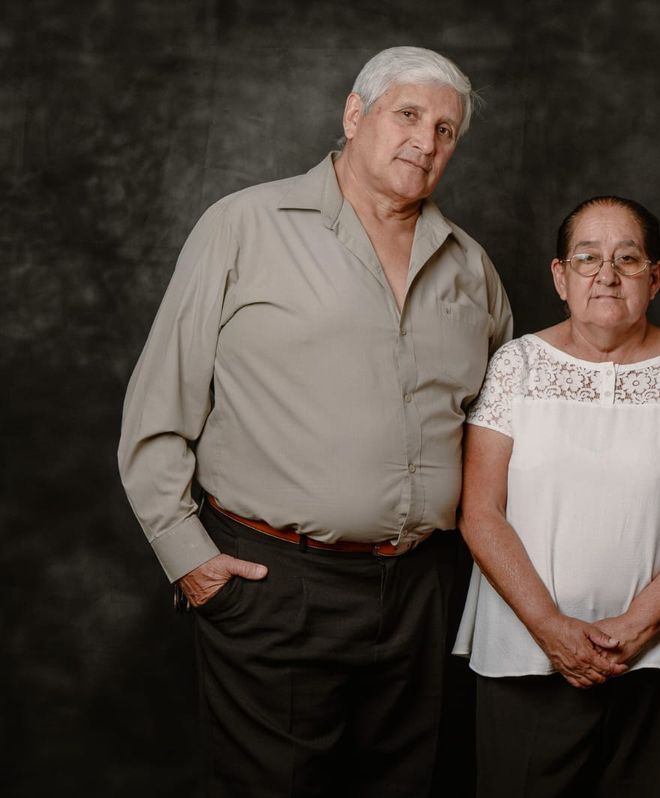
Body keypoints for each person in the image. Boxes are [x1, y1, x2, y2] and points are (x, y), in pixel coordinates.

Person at [117, 46, 511, 796]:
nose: (426, 142)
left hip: (424, 590)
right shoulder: (243, 226)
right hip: (275, 582)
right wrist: (193, 563)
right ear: (354, 115)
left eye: (446, 130)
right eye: (407, 115)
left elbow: (498, 427)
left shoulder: (470, 266)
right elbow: (157, 408)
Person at [452, 196, 660, 797]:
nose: (606, 274)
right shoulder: (517, 366)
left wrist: (636, 627)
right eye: (587, 258)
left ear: (656, 276)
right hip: (527, 655)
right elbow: (479, 511)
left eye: (628, 258)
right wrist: (550, 627)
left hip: (658, 655)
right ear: (560, 276)